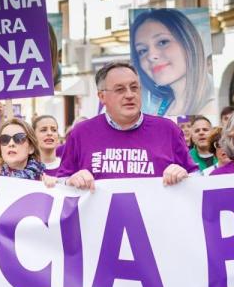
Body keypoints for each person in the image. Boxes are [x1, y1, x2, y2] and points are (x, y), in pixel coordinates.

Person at [58, 61, 196, 190]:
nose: (130, 95)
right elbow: (61, 182)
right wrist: (70, 181)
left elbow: (196, 179)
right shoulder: (81, 133)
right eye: (120, 89)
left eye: (134, 88)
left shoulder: (168, 130)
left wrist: (183, 175)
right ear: (102, 97)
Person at [130, 8, 215, 117]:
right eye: (142, 51)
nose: (151, 56)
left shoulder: (211, 107)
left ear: (188, 41)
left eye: (163, 42)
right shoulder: (161, 108)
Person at [0, 118, 56, 186]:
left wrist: (52, 187)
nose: (11, 144)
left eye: (19, 138)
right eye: (5, 139)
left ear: (31, 148)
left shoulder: (44, 182)